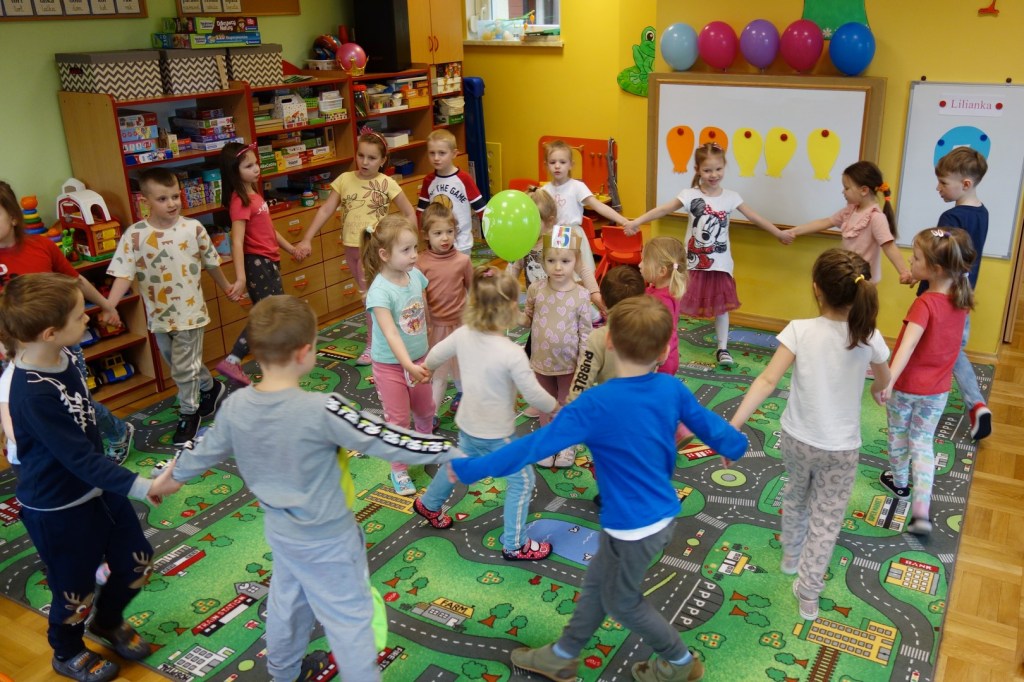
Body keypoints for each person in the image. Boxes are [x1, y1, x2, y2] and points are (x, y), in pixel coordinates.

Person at [149, 294, 462, 682]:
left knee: (287, 605)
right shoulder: (324, 409)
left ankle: (284, 673)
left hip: (284, 535)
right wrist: (447, 450)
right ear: (304, 353)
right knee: (350, 620)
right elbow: (386, 438)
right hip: (331, 539)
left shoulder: (234, 408)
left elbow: (198, 455)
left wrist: (165, 481)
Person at [451, 296, 748, 682]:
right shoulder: (670, 389)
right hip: (656, 517)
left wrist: (472, 467)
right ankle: (563, 655)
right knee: (597, 584)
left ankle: (679, 663)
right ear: (663, 351)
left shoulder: (594, 403)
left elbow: (532, 447)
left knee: (623, 602)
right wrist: (733, 446)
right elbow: (710, 423)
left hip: (632, 529)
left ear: (608, 341)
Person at [0, 273, 159, 682]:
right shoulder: (31, 394)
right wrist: (143, 486)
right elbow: (78, 459)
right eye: (77, 315)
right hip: (58, 508)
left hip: (97, 490)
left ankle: (108, 621)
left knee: (137, 562)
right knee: (74, 591)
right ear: (50, 333)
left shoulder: (64, 357)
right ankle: (67, 650)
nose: (87, 317)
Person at [729, 249, 890, 621]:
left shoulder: (799, 329)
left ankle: (790, 555)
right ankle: (809, 594)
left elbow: (767, 380)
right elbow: (885, 381)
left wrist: (734, 424)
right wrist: (877, 389)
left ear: (817, 289)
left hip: (797, 439)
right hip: (841, 449)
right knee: (827, 521)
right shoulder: (868, 335)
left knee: (797, 492)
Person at [413, 266, 559, 560]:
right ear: (508, 311)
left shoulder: (464, 334)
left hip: (468, 425)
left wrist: (426, 369)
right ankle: (515, 544)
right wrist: (555, 407)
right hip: (495, 435)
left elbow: (437, 353)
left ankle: (429, 503)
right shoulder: (511, 353)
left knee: (458, 464)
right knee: (523, 481)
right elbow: (532, 394)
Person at [624, 142, 794, 367]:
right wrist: (637, 221)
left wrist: (778, 233)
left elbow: (755, 217)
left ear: (724, 167)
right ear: (697, 170)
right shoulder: (689, 195)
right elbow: (664, 209)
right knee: (674, 301)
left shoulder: (731, 197)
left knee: (721, 308)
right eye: (707, 170)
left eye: (718, 169)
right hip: (690, 264)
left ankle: (722, 348)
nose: (713, 175)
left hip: (719, 265)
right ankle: (666, 341)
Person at [0, 180, 134, 463]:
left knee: (77, 400)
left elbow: (77, 280)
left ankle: (117, 432)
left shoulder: (41, 247)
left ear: (13, 217)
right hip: (11, 349)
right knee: (24, 403)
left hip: (59, 343)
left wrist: (106, 304)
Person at [106, 168, 234, 445]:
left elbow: (211, 263)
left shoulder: (193, 228)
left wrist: (227, 287)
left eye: (175, 196)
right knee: (179, 364)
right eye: (163, 199)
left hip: (190, 314)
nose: (172, 203)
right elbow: (123, 273)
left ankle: (189, 413)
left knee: (183, 369)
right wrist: (110, 306)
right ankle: (210, 388)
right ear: (145, 201)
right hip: (159, 316)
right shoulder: (135, 235)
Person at [880, 228, 976, 537]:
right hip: (937, 391)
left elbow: (907, 346)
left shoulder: (925, 304)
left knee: (898, 435)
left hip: (907, 388)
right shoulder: (960, 301)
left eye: (917, 258)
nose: (910, 259)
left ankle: (900, 484)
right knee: (922, 442)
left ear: (934, 269)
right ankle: (921, 512)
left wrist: (888, 381)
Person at [292, 131, 417, 365]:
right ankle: (391, 334)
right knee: (373, 296)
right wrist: (307, 238)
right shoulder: (345, 179)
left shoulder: (386, 183)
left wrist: (409, 246)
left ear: (383, 160)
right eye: (361, 155)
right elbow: (326, 209)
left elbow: (409, 212)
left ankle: (374, 344)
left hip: (374, 251)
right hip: (350, 249)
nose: (365, 162)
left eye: (372, 158)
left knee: (370, 298)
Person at [214, 141, 297, 387]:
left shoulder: (254, 195)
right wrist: (240, 277)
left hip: (269, 260)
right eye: (248, 166)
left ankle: (270, 360)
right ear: (234, 172)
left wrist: (290, 248)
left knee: (272, 313)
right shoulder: (240, 201)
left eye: (256, 163)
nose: (256, 168)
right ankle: (235, 359)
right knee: (269, 313)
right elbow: (236, 241)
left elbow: (269, 229)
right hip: (257, 263)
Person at [363, 214, 435, 495]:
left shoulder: (414, 275)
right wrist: (407, 365)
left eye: (415, 248)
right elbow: (391, 333)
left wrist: (430, 340)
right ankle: (399, 469)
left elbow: (423, 307)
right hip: (390, 366)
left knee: (426, 409)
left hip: (419, 358)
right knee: (399, 419)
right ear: (384, 254)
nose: (414, 255)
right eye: (406, 250)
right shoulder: (379, 292)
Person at [927, 147, 991, 440]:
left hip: (942, 295)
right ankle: (975, 404)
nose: (938, 188)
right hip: (964, 293)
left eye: (943, 182)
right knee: (951, 349)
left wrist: (920, 277)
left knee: (946, 351)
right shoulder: (982, 213)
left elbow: (939, 255)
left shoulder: (951, 216)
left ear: (965, 183)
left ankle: (973, 402)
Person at [524, 226, 592, 467]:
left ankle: (566, 445)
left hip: (569, 363)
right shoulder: (536, 289)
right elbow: (527, 319)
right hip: (541, 361)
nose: (558, 267)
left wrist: (584, 365)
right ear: (543, 261)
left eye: (565, 261)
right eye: (551, 260)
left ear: (576, 260)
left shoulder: (581, 295)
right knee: (545, 402)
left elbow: (586, 333)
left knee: (566, 404)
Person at [790, 160, 912, 285]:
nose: (843, 191)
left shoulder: (875, 217)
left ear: (864, 190)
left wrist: (904, 272)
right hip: (847, 277)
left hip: (864, 283)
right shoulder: (849, 211)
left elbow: (889, 246)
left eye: (846, 188)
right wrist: (794, 231)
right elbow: (826, 222)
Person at [539, 140, 626, 314]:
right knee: (556, 275)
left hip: (572, 234)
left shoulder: (577, 187)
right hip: (553, 236)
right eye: (553, 162)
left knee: (579, 276)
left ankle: (585, 310)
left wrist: (623, 220)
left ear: (571, 164)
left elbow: (598, 206)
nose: (557, 166)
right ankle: (560, 310)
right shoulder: (544, 190)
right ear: (546, 165)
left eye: (562, 162)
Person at [417, 202, 473, 429]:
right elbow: (418, 298)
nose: (445, 238)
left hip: (460, 325)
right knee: (439, 373)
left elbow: (473, 290)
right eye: (438, 233)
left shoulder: (462, 261)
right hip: (436, 327)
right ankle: (430, 414)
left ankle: (463, 396)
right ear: (426, 235)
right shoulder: (420, 263)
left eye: (449, 231)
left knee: (464, 367)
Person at [507, 188, 603, 313]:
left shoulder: (561, 236)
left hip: (564, 304)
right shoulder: (524, 242)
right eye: (523, 221)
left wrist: (594, 293)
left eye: (532, 221)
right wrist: (505, 294)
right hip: (537, 306)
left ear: (550, 221)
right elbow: (512, 270)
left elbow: (582, 268)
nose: (526, 226)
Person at [567, 265, 646, 402]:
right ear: (643, 299)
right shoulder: (652, 329)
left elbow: (581, 382)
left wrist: (571, 409)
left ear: (602, 300)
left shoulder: (598, 337)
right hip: (644, 404)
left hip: (611, 405)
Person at [417, 129, 486, 256]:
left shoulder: (464, 179)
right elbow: (421, 212)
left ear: (454, 154)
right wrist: (420, 235)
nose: (436, 158)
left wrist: (493, 232)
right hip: (436, 244)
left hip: (461, 244)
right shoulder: (428, 180)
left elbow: (482, 209)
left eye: (442, 153)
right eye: (432, 153)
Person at [641, 236, 688, 377]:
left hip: (659, 361)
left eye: (644, 261)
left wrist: (657, 358)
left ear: (662, 271)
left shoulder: (661, 300)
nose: (639, 265)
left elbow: (665, 333)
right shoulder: (660, 290)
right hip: (661, 356)